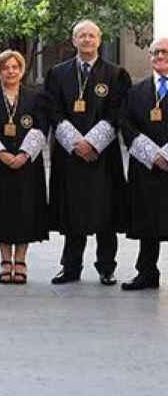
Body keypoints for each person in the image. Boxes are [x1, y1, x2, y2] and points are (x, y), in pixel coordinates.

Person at [45, 20, 131, 285]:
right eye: (81, 36)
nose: (87, 40)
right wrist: (76, 143)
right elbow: (53, 110)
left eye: (91, 36)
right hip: (70, 155)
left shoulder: (116, 75)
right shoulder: (57, 74)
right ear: (73, 41)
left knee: (105, 211)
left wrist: (93, 143)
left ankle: (106, 267)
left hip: (102, 157)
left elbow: (118, 112)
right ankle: (70, 267)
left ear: (99, 39)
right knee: (73, 212)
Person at [0, 50, 49, 284]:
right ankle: (6, 261)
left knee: (25, 211)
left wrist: (24, 155)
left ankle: (22, 260)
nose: (11, 71)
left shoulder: (35, 98)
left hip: (27, 165)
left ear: (22, 70)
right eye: (6, 67)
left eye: (15, 67)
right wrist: (3, 154)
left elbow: (41, 127)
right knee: (2, 211)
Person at [119, 37, 168, 291]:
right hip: (146, 167)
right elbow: (126, 125)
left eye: (164, 52)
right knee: (148, 221)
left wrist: (167, 155)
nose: (159, 56)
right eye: (154, 52)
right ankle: (146, 272)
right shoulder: (136, 92)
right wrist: (153, 155)